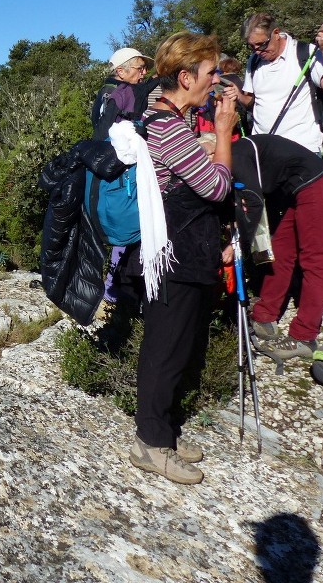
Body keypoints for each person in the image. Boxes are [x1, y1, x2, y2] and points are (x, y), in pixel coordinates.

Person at [127, 32, 238, 485]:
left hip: (188, 249)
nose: (216, 82)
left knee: (179, 346)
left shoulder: (176, 120)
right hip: (171, 254)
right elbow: (215, 187)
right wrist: (226, 134)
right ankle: (149, 444)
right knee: (165, 349)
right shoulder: (166, 125)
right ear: (187, 76)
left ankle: (164, 432)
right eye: (211, 74)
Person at [231, 135, 323, 364]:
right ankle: (265, 315)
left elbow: (254, 202)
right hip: (300, 190)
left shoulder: (236, 153)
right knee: (281, 251)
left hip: (318, 185)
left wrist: (238, 245)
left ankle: (305, 337)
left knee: (314, 261)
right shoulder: (238, 151)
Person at [92, 48, 155, 305]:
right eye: (139, 68)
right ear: (121, 71)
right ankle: (115, 287)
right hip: (121, 171)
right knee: (128, 226)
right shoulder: (122, 94)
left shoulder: (111, 92)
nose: (144, 73)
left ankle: (114, 286)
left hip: (112, 169)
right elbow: (106, 132)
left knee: (123, 228)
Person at [238, 13, 323, 153]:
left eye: (261, 44)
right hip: (263, 149)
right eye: (252, 47)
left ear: (276, 33)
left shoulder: (305, 53)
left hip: (302, 149)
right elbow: (251, 102)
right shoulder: (253, 61)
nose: (257, 51)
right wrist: (237, 95)